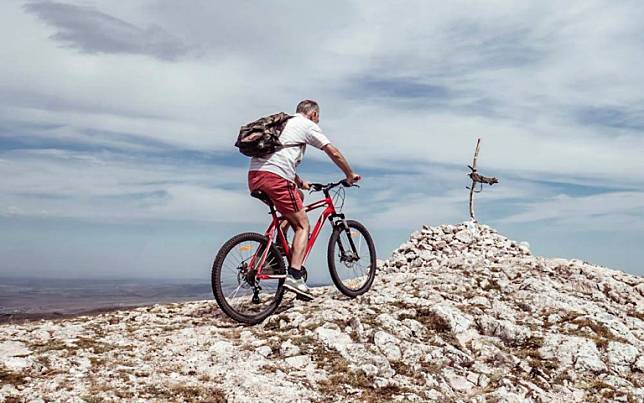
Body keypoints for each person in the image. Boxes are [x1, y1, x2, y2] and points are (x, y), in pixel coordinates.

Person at [248, 100, 361, 300]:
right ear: (313, 115)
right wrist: (349, 174)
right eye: (318, 118)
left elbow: (278, 159)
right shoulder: (306, 125)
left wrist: (300, 182)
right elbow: (332, 152)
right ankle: (295, 275)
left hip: (256, 177)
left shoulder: (282, 125)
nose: (318, 122)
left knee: (296, 199)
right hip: (276, 179)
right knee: (302, 225)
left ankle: (277, 252)